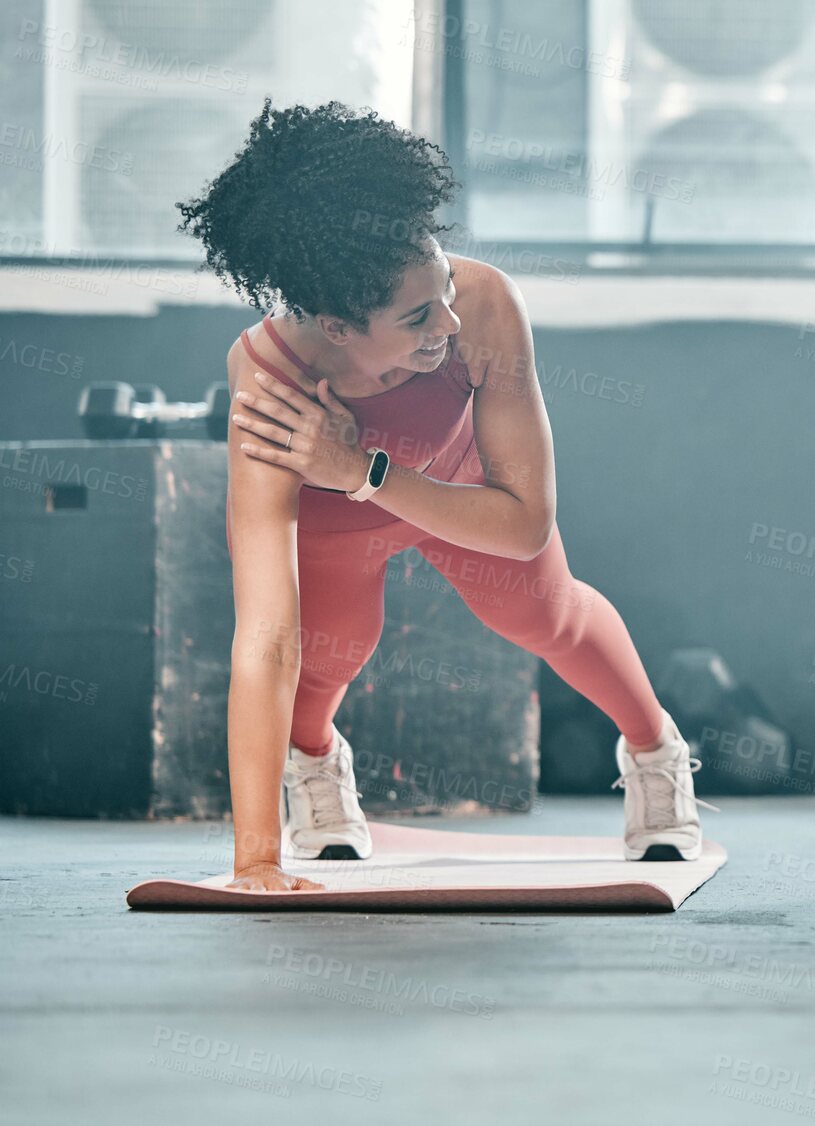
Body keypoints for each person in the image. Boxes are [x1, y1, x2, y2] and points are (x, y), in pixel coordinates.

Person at [176, 100, 710, 892]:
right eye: (420, 316)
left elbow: (527, 526)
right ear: (336, 326)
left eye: (447, 287)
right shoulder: (268, 380)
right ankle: (315, 766)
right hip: (333, 516)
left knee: (544, 612)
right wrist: (254, 859)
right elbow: (264, 636)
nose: (450, 321)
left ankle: (654, 751)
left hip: (457, 485)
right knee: (329, 649)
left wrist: (365, 471)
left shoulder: (486, 307)